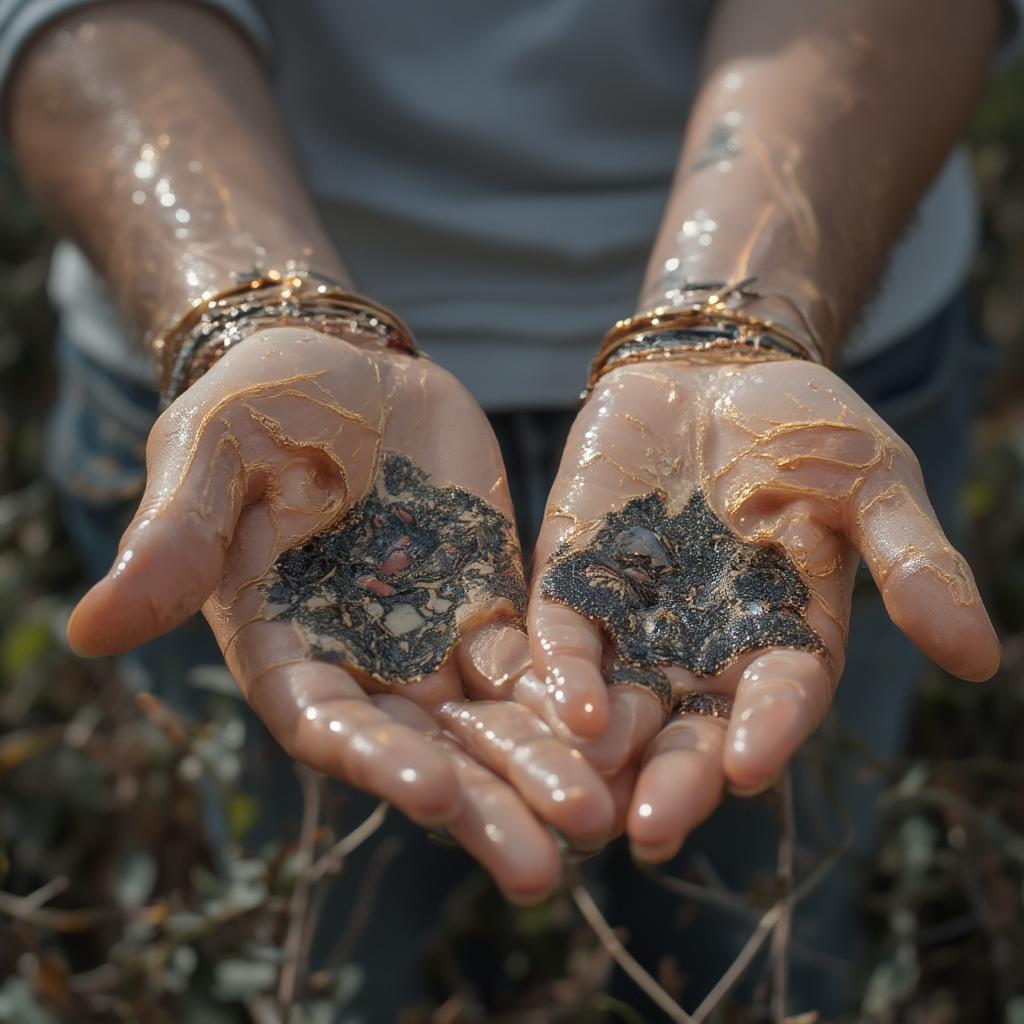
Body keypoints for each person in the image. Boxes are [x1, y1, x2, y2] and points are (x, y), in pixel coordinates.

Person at [2, 0, 1016, 1016]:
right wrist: (258, 313)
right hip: (267, 432)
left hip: (789, 400)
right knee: (321, 956)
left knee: (759, 952)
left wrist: (739, 322)